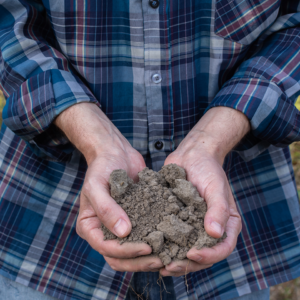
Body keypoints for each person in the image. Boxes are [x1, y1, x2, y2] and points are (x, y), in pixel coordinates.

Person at [0, 0, 300, 299]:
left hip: (233, 194)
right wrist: (94, 137)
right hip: (47, 213)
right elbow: (8, 20)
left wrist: (216, 136)